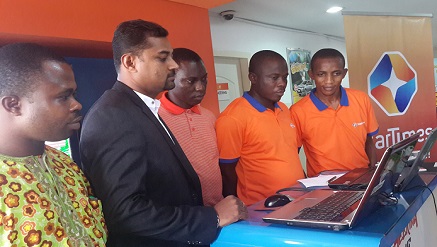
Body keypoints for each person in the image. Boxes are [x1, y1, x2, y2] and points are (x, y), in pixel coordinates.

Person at [79, 19, 247, 247]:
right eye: (162, 57)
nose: (173, 65)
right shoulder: (113, 116)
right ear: (130, 62)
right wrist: (212, 217)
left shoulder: (141, 108)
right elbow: (126, 212)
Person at [0, 43, 107, 246]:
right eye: (63, 97)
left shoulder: (64, 163)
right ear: (13, 105)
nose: (77, 105)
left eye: (74, 94)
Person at [216, 50, 305, 206]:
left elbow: (292, 154)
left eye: (285, 77)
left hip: (297, 200)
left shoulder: (284, 109)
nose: (282, 83)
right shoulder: (233, 118)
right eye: (274, 77)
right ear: (253, 78)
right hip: (262, 208)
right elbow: (226, 172)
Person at [289, 48, 379, 177]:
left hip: (361, 180)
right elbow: (292, 156)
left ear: (344, 73)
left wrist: (372, 175)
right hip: (324, 187)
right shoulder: (297, 111)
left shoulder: (361, 99)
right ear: (311, 74)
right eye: (321, 74)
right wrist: (306, 186)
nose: (329, 81)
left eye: (336, 73)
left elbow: (368, 141)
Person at [159, 48, 223, 207]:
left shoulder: (208, 117)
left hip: (219, 210)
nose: (200, 87)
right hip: (186, 216)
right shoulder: (156, 118)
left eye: (204, 79)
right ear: (171, 78)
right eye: (191, 81)